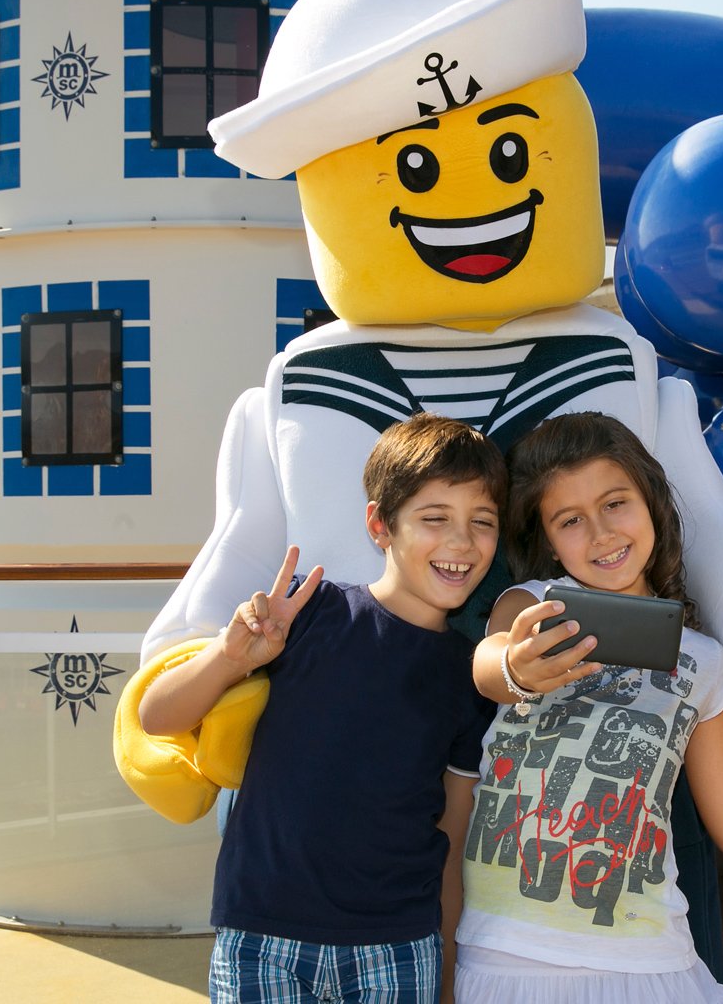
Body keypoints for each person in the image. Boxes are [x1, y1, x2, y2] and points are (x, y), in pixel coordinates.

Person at [138, 413, 504, 1004]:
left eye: (481, 522)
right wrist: (232, 656)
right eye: (435, 518)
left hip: (399, 947)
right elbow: (158, 717)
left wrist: (447, 972)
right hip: (261, 936)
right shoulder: (307, 614)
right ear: (380, 524)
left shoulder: (472, 675)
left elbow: (451, 838)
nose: (461, 542)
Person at [454, 413, 723, 1003]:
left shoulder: (704, 659)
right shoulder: (532, 606)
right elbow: (489, 667)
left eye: (615, 503)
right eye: (570, 520)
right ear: (546, 540)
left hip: (647, 963)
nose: (600, 534)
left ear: (650, 503)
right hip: (504, 958)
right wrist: (519, 669)